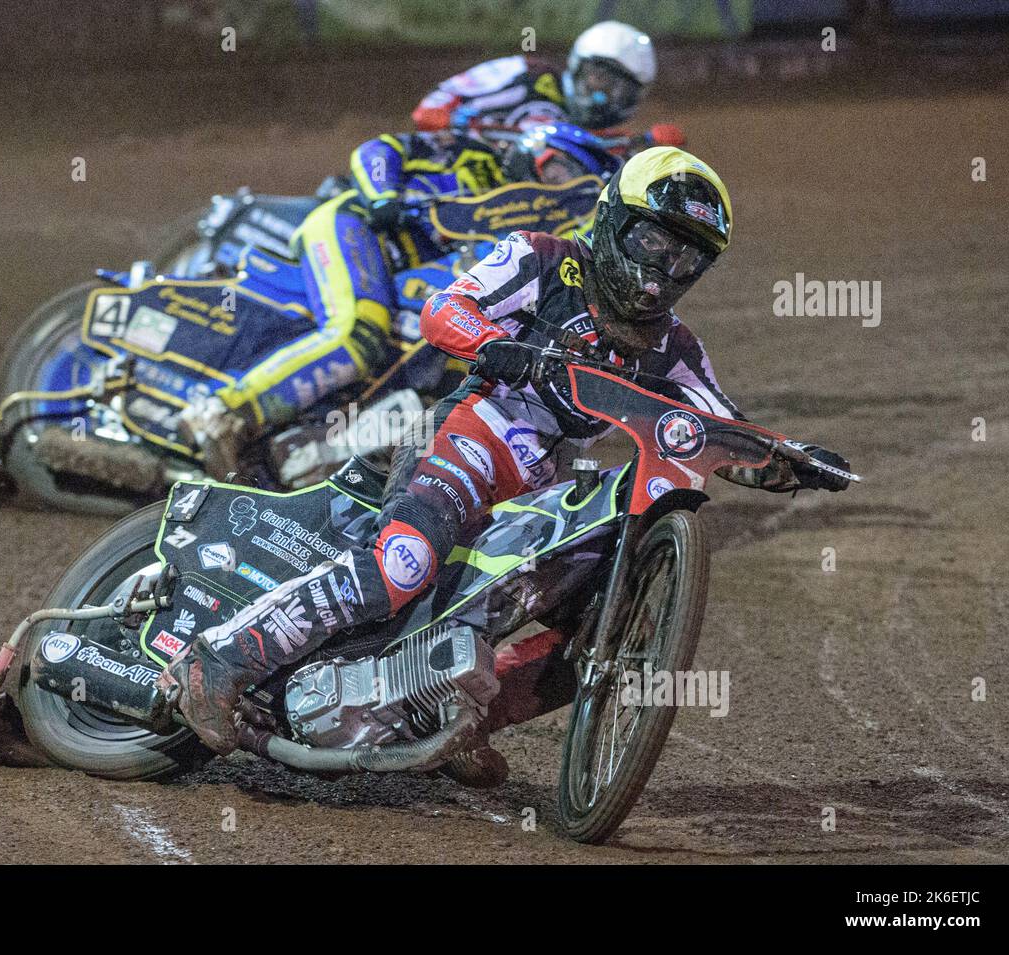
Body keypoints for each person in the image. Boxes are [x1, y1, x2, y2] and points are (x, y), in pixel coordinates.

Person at [158, 147, 853, 781]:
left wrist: (790, 460)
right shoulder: (546, 260)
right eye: (652, 242)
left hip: (539, 493)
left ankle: (444, 719)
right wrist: (492, 344)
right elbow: (443, 308)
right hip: (466, 436)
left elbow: (716, 429)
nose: (663, 270)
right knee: (402, 564)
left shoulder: (674, 347)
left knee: (587, 637)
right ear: (613, 217)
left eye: (686, 260)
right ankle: (218, 660)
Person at [181, 125, 616, 478]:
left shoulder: (526, 237)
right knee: (358, 334)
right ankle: (223, 413)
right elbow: (380, 147)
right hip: (354, 226)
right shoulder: (474, 155)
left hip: (395, 278)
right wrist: (382, 195)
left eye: (573, 185)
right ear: (538, 149)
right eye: (561, 170)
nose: (559, 188)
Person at [412, 20, 657, 134]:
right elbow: (443, 97)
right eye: (601, 77)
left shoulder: (601, 139)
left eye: (621, 89)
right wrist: (438, 111)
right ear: (579, 65)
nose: (604, 94)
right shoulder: (527, 73)